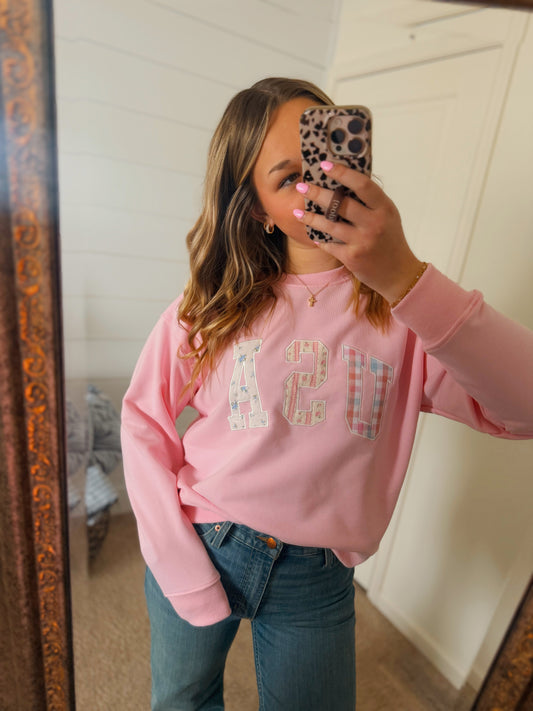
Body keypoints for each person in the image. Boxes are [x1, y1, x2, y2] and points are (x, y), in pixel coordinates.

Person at [121, 77, 533, 711]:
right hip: (205, 535)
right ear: (256, 209)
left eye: (329, 161)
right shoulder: (211, 305)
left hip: (316, 579)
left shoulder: (409, 314)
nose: (321, 187)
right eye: (290, 178)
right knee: (182, 699)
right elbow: (143, 421)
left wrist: (408, 278)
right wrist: (176, 559)